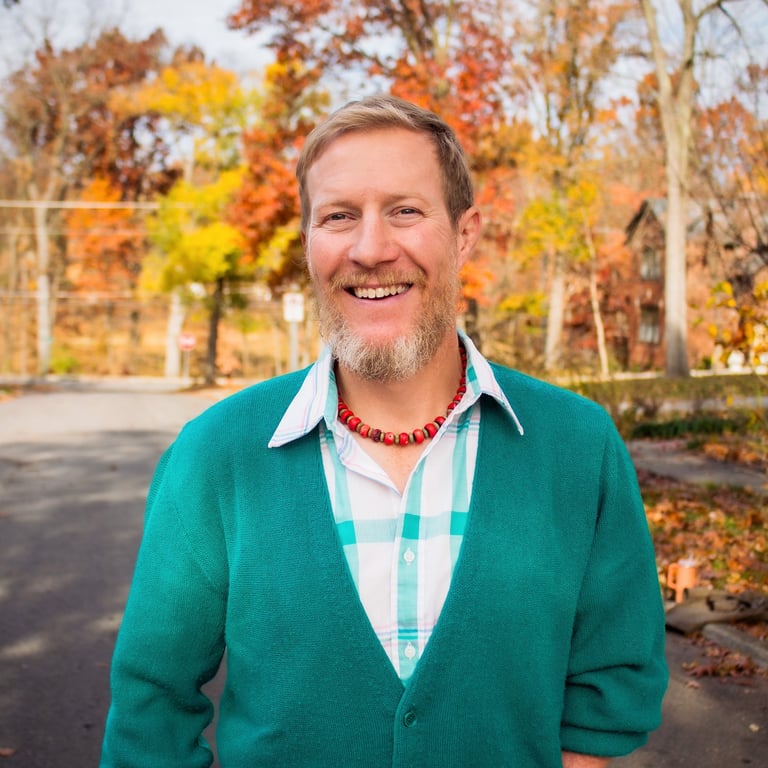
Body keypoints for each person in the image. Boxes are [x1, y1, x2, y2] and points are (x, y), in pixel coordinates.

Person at [100, 94, 668, 768]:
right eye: (339, 216)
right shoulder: (216, 456)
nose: (371, 249)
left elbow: (609, 689)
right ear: (309, 242)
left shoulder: (578, 447)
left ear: (465, 235)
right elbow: (151, 706)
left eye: (405, 210)